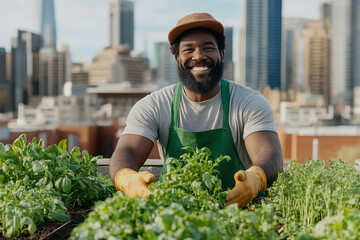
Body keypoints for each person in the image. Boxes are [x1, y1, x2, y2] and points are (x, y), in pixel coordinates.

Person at [109, 12, 283, 207]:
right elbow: (127, 151)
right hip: (173, 218)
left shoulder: (249, 102)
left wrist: (255, 178)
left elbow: (269, 153)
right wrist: (127, 178)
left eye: (208, 48)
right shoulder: (153, 105)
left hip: (238, 212)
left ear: (222, 54)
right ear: (176, 57)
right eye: (188, 49)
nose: (199, 56)